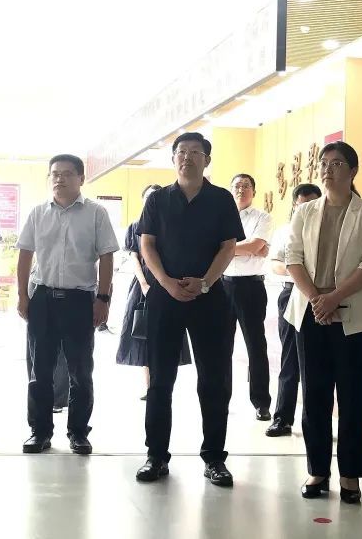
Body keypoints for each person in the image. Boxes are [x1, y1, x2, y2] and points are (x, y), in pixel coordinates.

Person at [134, 132, 244, 487]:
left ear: (206, 160)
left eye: (195, 152)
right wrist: (165, 282)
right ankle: (156, 456)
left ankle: (214, 458)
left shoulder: (221, 199)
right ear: (173, 159)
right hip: (165, 297)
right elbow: (146, 244)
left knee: (214, 380)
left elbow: (228, 247)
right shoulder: (158, 200)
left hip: (209, 298)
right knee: (160, 380)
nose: (187, 157)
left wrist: (206, 282)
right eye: (181, 152)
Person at [285, 141, 362, 505]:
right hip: (310, 313)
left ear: (353, 171)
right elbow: (293, 258)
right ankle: (317, 470)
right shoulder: (305, 212)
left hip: (353, 318)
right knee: (314, 395)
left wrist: (333, 298)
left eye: (337, 163)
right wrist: (317, 299)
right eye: (324, 163)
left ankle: (350, 475)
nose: (328, 169)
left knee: (353, 397)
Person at [16, 154, 121, 455]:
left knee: (81, 371)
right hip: (43, 299)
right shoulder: (38, 213)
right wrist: (23, 295)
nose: (59, 179)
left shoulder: (96, 213)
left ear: (81, 178)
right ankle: (40, 432)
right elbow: (25, 254)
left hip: (79, 301)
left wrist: (103, 299)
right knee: (40, 371)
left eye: (67, 173)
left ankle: (78, 432)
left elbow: (107, 257)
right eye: (54, 174)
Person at [115, 184, 191, 399]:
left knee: (169, 335)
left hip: (171, 282)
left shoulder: (173, 224)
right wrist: (144, 284)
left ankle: (164, 384)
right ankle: (150, 387)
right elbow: (134, 257)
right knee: (144, 335)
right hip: (145, 283)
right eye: (148, 197)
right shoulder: (135, 226)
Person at [266, 182, 321, 438]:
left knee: (319, 362)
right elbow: (275, 263)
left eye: (311, 204)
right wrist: (297, 273)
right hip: (293, 294)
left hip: (325, 296)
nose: (306, 209)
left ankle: (317, 422)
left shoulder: (331, 228)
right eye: (301, 205)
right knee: (290, 359)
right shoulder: (285, 231)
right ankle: (282, 418)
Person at [224, 173, 274, 421]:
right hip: (222, 286)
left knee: (256, 345)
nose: (241, 190)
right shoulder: (221, 216)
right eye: (237, 186)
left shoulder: (263, 217)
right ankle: (220, 399)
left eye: (246, 186)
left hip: (251, 287)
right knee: (221, 347)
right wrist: (248, 249)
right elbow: (253, 248)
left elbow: (256, 246)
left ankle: (261, 402)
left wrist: (224, 250)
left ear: (253, 191)